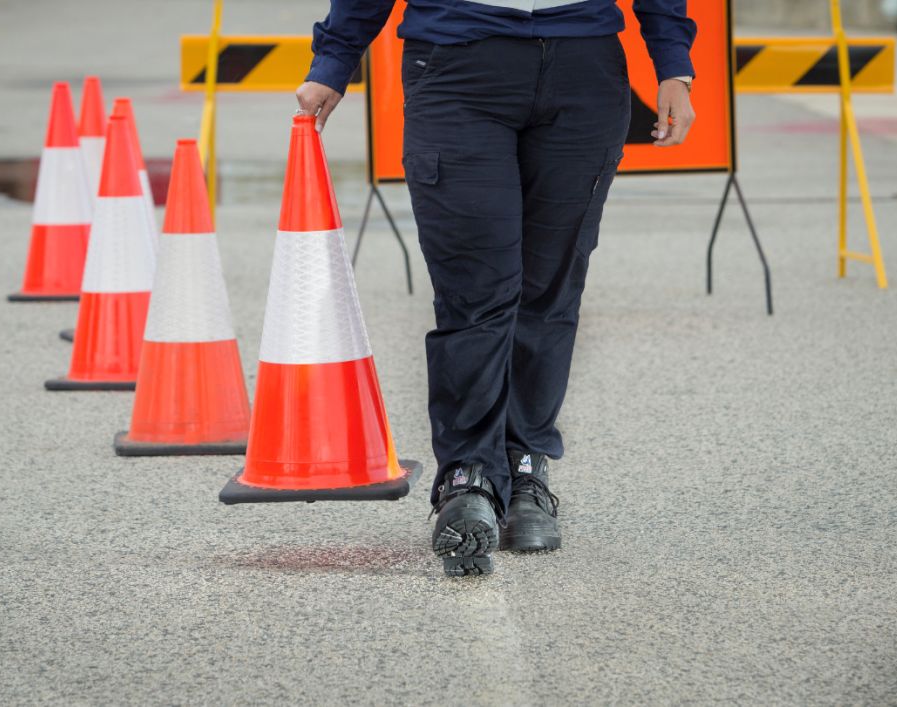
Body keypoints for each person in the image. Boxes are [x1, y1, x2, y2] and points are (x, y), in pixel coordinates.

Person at [296, 0, 696, 577]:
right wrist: (334, 59)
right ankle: (468, 478)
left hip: (584, 68)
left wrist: (673, 67)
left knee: (550, 289)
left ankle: (527, 467)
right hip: (458, 65)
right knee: (475, 289)